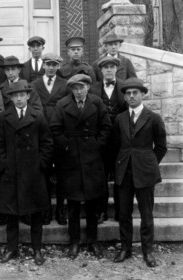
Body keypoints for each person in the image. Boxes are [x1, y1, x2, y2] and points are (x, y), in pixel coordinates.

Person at [50, 74, 112, 260]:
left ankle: (93, 241)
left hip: (92, 158)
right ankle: (74, 241)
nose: (78, 91)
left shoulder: (97, 102)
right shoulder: (62, 104)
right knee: (73, 204)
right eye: (75, 88)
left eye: (82, 87)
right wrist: (67, 145)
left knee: (92, 203)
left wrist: (97, 145)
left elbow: (106, 127)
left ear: (88, 87)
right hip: (71, 159)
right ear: (71, 89)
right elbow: (55, 128)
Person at [0, 81, 53, 266]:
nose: (19, 99)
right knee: (11, 214)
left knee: (35, 214)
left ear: (28, 96)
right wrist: (4, 164)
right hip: (11, 171)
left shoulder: (38, 116)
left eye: (22, 95)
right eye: (15, 95)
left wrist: (40, 164)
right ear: (10, 98)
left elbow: (47, 143)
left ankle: (37, 249)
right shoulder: (4, 117)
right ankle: (12, 248)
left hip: (32, 172)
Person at [113, 78, 167, 267]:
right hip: (124, 172)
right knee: (124, 213)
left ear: (143, 94)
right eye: (128, 93)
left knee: (146, 213)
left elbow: (161, 147)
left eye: (135, 93)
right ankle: (125, 248)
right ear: (125, 97)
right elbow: (115, 145)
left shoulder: (153, 118)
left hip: (145, 172)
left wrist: (148, 163)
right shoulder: (120, 119)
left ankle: (147, 251)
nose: (131, 96)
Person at [31, 52, 73, 226]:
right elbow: (32, 107)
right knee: (44, 173)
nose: (51, 67)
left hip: (60, 133)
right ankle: (45, 210)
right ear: (43, 65)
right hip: (41, 134)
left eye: (54, 64)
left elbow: (69, 107)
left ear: (58, 67)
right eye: (48, 64)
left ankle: (60, 211)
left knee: (62, 173)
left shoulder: (65, 85)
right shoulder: (34, 84)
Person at [89, 56, 129, 224]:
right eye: (105, 68)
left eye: (112, 67)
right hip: (102, 141)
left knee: (120, 178)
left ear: (116, 69)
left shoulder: (125, 87)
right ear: (101, 70)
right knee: (101, 178)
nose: (109, 70)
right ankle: (102, 212)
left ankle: (121, 212)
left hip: (121, 142)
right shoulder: (93, 88)